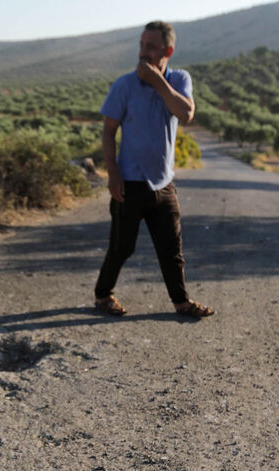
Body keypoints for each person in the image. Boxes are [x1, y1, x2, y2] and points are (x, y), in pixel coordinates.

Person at [93, 21, 214, 319]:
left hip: (163, 184)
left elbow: (185, 113)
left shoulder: (179, 79)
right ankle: (102, 295)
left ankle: (181, 303)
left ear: (168, 50)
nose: (143, 52)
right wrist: (113, 175)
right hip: (129, 183)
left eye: (151, 47)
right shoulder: (124, 85)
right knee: (122, 247)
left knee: (171, 249)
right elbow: (108, 132)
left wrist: (158, 80)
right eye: (141, 45)